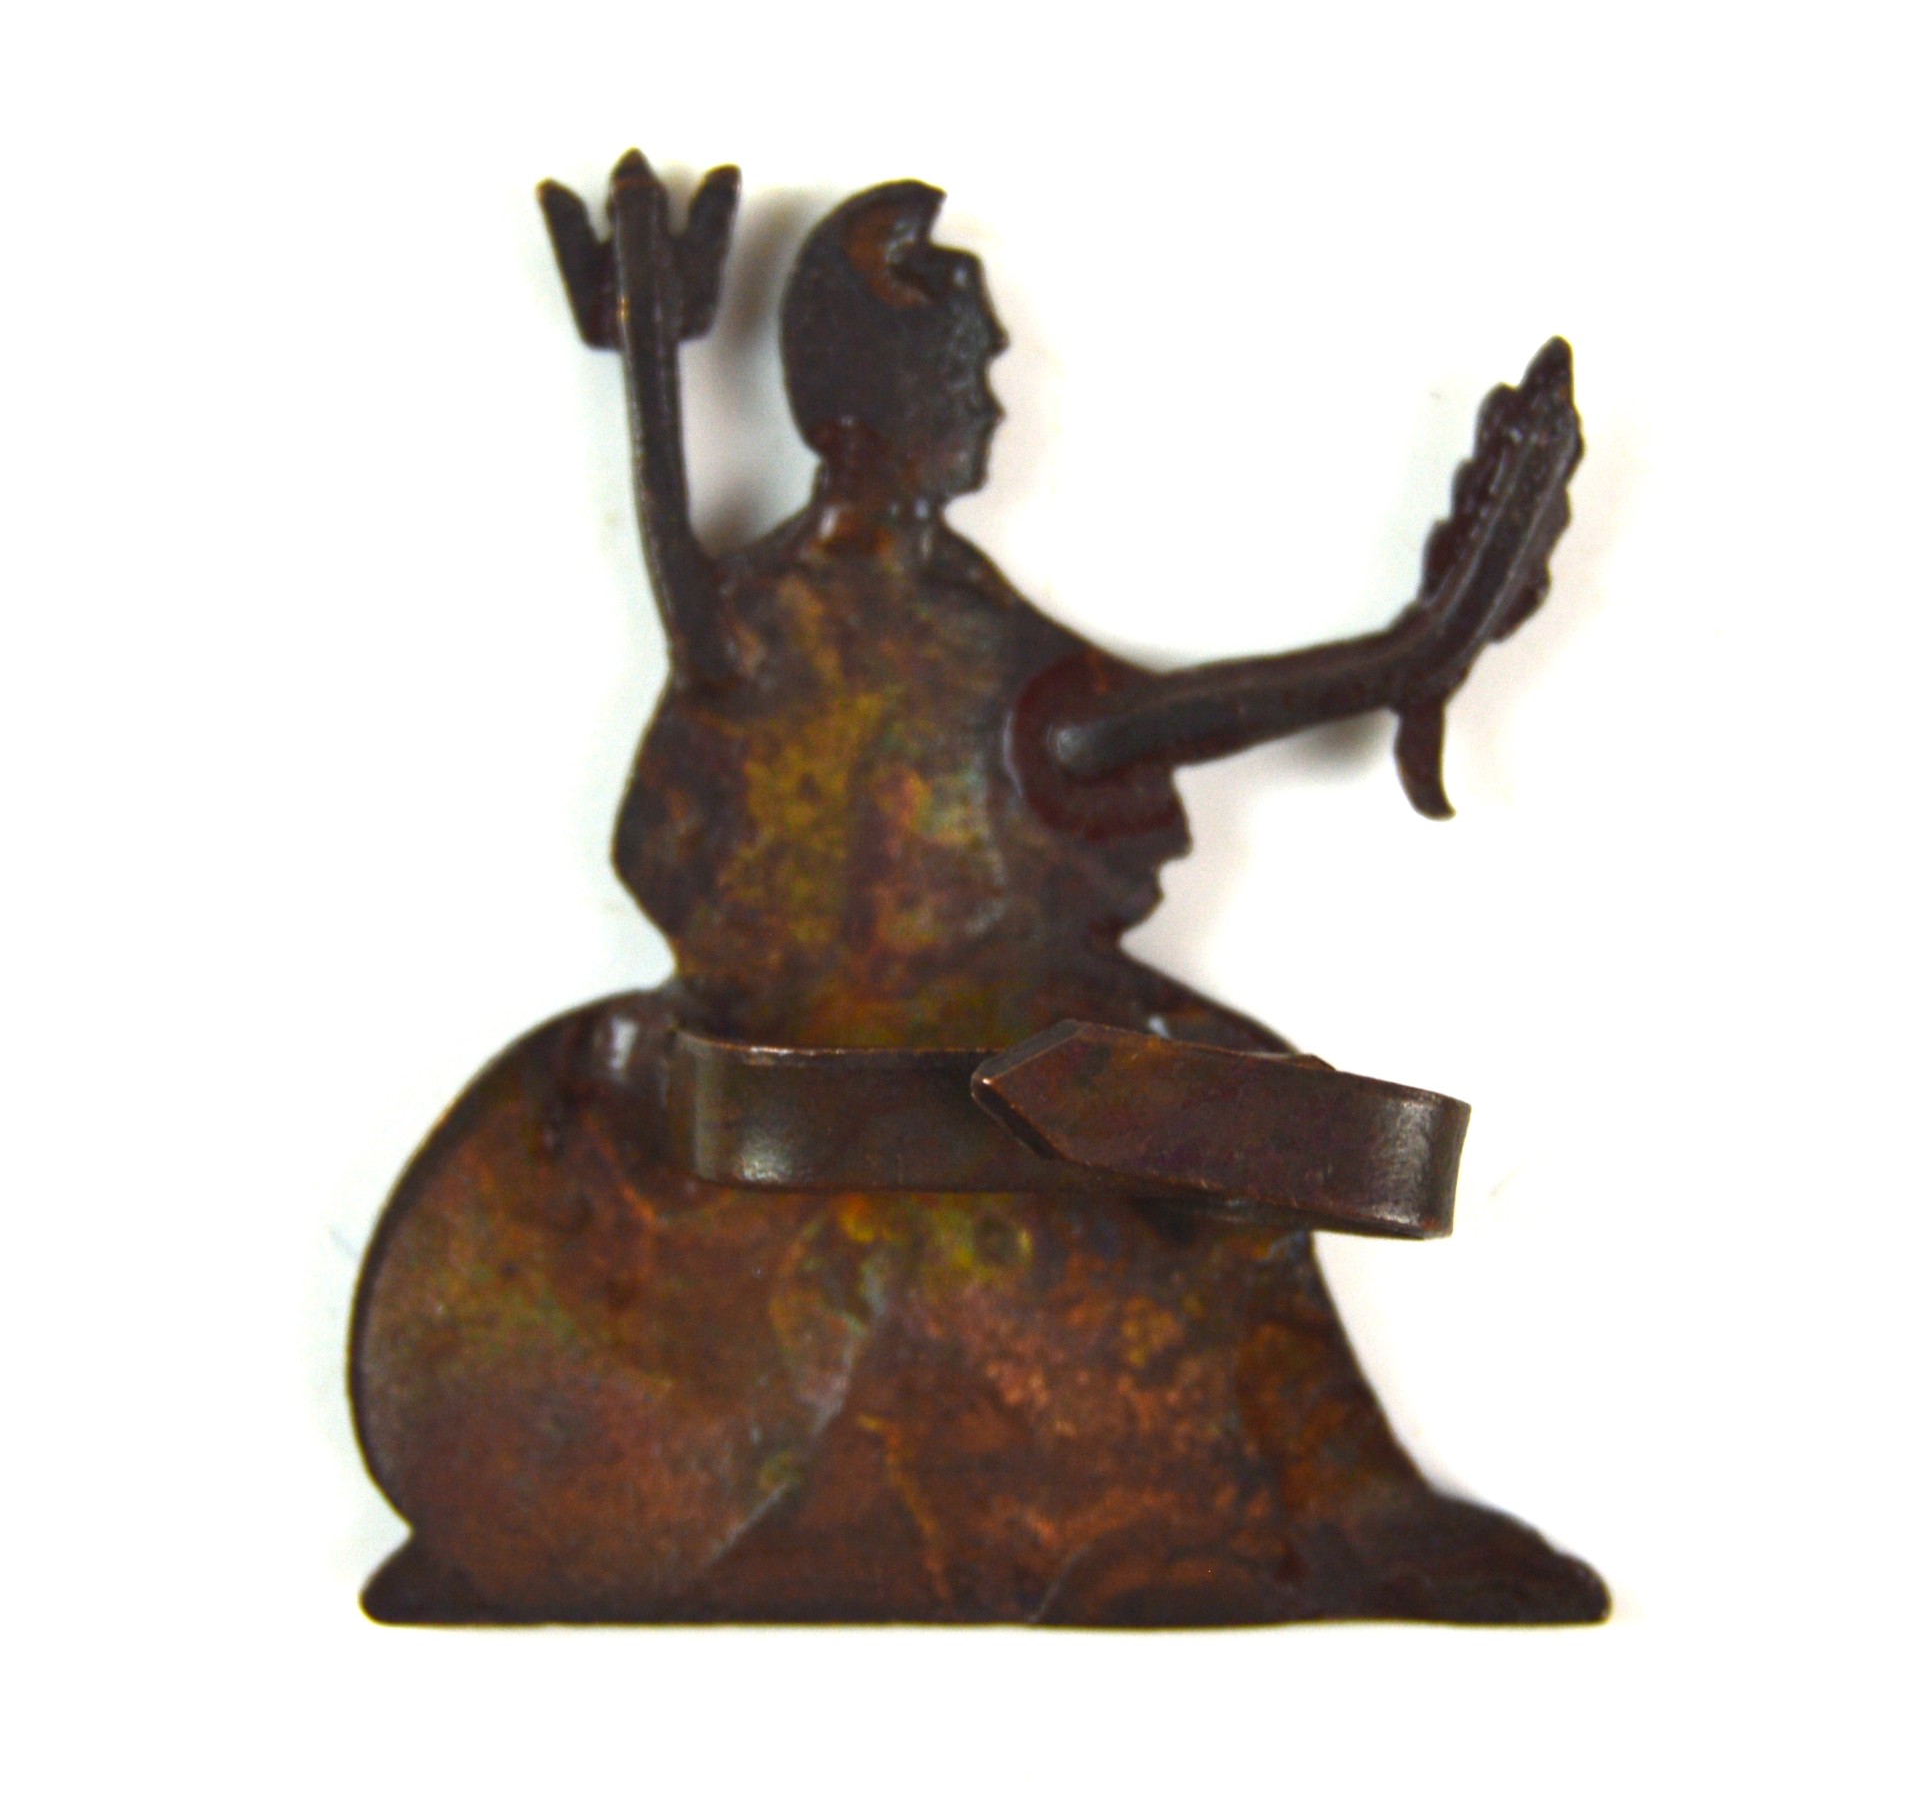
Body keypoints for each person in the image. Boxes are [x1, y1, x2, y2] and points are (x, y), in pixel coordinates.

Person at [349, 152, 1605, 1626]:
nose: (999, 403)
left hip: (961, 1093)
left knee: (1229, 1137)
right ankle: (1277, 1514)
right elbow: (1097, 730)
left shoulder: (859, 616)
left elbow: (1108, 726)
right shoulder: (824, 622)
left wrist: (1410, 652)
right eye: (973, 372)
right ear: (878, 406)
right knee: (1177, 1183)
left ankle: (1325, 1507)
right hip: (837, 1153)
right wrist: (1409, 651)